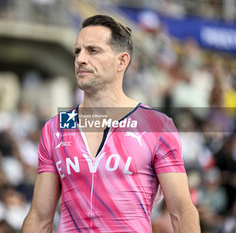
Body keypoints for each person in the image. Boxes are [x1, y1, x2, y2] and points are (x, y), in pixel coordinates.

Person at [22, 14, 200, 232]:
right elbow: (40, 217)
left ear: (122, 61)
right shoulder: (55, 128)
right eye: (77, 51)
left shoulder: (156, 126)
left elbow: (182, 211)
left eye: (93, 50)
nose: (81, 59)